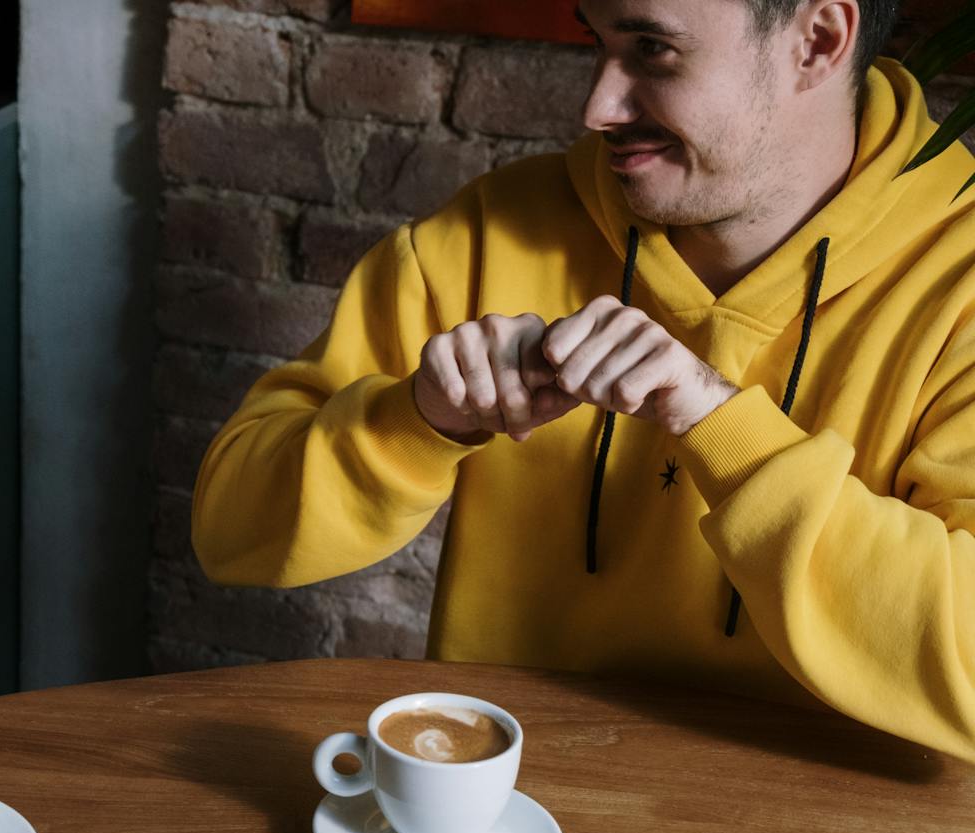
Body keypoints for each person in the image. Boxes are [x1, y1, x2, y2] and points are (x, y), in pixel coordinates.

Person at [193, 0, 975, 763]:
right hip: (509, 827)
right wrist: (418, 420)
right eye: (595, 41)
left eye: (652, 49)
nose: (597, 105)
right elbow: (229, 531)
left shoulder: (961, 282)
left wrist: (723, 427)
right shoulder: (487, 232)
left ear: (817, 40)